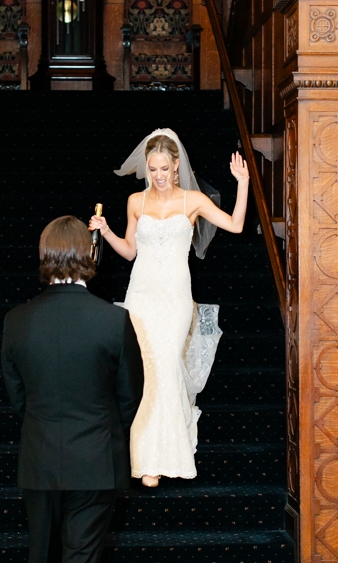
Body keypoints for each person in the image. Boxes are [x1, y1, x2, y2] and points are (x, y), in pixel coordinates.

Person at [1, 216, 145, 563]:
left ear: (46, 256)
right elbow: (131, 397)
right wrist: (100, 431)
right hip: (95, 464)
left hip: (39, 459)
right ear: (88, 254)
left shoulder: (17, 319)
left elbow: (15, 398)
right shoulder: (112, 320)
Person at [89, 130, 249, 488]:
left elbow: (236, 225)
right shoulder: (135, 202)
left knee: (165, 363)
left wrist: (243, 183)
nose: (158, 175)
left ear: (176, 166)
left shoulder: (192, 200)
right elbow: (130, 251)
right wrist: (107, 230)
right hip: (141, 296)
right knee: (142, 368)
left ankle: (165, 456)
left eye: (164, 168)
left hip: (175, 298)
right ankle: (143, 458)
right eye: (152, 168)